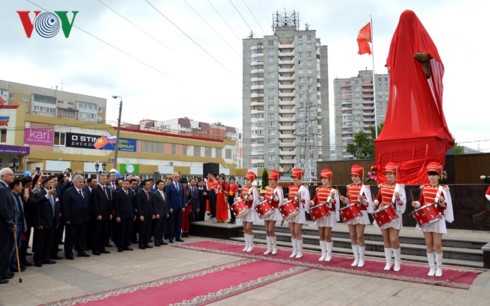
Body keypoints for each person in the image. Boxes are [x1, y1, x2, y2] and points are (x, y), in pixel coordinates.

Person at [411, 162, 454, 277]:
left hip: (438, 219)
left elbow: (445, 205)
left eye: (434, 175)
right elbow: (421, 202)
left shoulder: (443, 189)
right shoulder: (424, 188)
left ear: (438, 176)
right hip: (426, 219)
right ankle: (432, 267)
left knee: (437, 244)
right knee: (429, 244)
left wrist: (440, 201)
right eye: (430, 175)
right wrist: (416, 203)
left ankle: (439, 268)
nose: (432, 177)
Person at [373, 162, 406, 272]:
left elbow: (402, 203)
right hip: (383, 214)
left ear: (395, 175)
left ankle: (397, 262)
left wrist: (397, 199)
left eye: (390, 174)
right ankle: (388, 262)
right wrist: (375, 203)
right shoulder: (382, 186)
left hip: (394, 215)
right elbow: (378, 198)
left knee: (394, 239)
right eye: (387, 174)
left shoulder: (399, 187)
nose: (388, 176)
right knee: (386, 239)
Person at [339, 164, 373, 267]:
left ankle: (362, 259)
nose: (353, 178)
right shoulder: (349, 187)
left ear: (360, 176)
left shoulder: (365, 188)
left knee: (359, 236)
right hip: (351, 213)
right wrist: (344, 199)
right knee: (352, 236)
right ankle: (356, 258)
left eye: (356, 176)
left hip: (361, 214)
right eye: (352, 176)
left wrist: (362, 200)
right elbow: (349, 201)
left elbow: (368, 204)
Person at [311, 169, 340, 262]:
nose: (323, 180)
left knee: (327, 235)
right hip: (320, 214)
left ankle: (329, 254)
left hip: (329, 214)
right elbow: (314, 200)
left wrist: (331, 199)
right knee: (321, 235)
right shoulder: (318, 190)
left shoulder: (333, 191)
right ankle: (323, 253)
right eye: (322, 178)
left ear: (329, 179)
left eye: (325, 178)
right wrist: (310, 202)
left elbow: (335, 204)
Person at [61, 175, 90, 260]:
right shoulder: (68, 192)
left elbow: (87, 205)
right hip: (73, 219)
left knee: (81, 236)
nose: (82, 183)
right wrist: (67, 218)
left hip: (83, 218)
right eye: (80, 182)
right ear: (74, 182)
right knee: (71, 236)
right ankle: (68, 252)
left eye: (82, 182)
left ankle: (80, 250)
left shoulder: (85, 191)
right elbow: (65, 207)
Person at [33, 175, 60, 266]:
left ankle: (46, 257)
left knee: (49, 241)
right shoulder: (39, 194)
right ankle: (38, 259)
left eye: (53, 182)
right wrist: (38, 222)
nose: (53, 184)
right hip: (43, 222)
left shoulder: (54, 193)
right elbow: (37, 209)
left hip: (52, 221)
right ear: (44, 184)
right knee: (40, 242)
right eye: (50, 182)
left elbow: (56, 208)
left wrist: (56, 221)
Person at [287, 168, 310, 259]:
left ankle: (300, 251)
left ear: (299, 178)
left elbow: (307, 201)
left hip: (299, 211)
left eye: (295, 177)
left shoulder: (304, 189)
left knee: (297, 231)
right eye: (293, 177)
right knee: (292, 231)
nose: (294, 179)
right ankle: (294, 250)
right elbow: (290, 199)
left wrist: (301, 199)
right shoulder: (291, 188)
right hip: (291, 211)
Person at [0, 168, 16, 284]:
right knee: (2, 250)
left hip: (6, 225)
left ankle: (4, 271)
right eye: (9, 175)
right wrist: (10, 223)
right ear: (2, 176)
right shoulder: (1, 189)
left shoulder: (5, 188)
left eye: (12, 174)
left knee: (6, 249)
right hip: (3, 225)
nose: (12, 176)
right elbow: (3, 209)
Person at [90, 173, 112, 255]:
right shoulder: (96, 189)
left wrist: (110, 213)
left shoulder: (106, 189)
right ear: (99, 180)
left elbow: (109, 202)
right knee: (97, 233)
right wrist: (98, 214)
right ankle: (95, 249)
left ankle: (102, 247)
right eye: (103, 179)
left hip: (106, 214)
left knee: (104, 232)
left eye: (106, 179)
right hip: (99, 215)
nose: (105, 180)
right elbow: (95, 203)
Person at [262, 170, 283, 255]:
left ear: (275, 180)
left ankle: (274, 247)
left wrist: (275, 197)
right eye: (269, 179)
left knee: (271, 229)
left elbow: (280, 201)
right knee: (267, 230)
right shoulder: (267, 188)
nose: (270, 181)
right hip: (266, 210)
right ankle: (269, 248)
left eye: (272, 179)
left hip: (274, 211)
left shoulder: (278, 189)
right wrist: (261, 199)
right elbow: (265, 199)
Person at [113, 179, 136, 252]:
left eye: (127, 184)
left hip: (130, 215)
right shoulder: (118, 193)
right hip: (121, 216)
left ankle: (126, 245)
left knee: (128, 231)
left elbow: (133, 204)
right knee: (121, 231)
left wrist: (134, 214)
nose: (126, 185)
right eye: (125, 184)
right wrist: (117, 216)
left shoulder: (131, 193)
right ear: (122, 184)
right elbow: (116, 205)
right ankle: (120, 246)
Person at [239, 171, 259, 252]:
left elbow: (257, 201)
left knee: (248, 228)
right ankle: (246, 245)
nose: (246, 181)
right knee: (244, 228)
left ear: (251, 181)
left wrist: (252, 199)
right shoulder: (243, 188)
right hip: (244, 210)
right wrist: (238, 199)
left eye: (248, 179)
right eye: (246, 179)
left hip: (250, 210)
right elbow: (241, 198)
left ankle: (251, 245)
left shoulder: (254, 189)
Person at [135, 179, 155, 249]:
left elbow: (152, 204)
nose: (149, 186)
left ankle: (146, 243)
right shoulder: (139, 193)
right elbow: (139, 205)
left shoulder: (150, 193)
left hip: (149, 214)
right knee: (142, 230)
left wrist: (153, 213)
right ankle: (141, 244)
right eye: (148, 184)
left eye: (150, 184)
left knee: (148, 230)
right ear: (144, 185)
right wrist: (141, 215)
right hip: (143, 215)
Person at [165, 172, 185, 243]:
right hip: (172, 208)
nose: (177, 178)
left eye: (178, 177)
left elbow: (183, 196)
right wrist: (169, 207)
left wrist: (183, 206)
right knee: (171, 223)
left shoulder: (181, 185)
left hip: (179, 207)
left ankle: (178, 237)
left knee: (178, 223)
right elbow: (167, 198)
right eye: (176, 177)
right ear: (173, 177)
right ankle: (171, 237)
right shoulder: (169, 186)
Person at [152, 179, 169, 245]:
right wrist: (156, 213)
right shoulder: (155, 193)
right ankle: (156, 241)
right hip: (158, 213)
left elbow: (166, 203)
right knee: (157, 228)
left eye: (163, 185)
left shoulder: (164, 193)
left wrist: (167, 212)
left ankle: (161, 240)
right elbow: (154, 204)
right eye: (161, 185)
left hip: (164, 213)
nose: (162, 186)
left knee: (162, 227)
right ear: (157, 185)